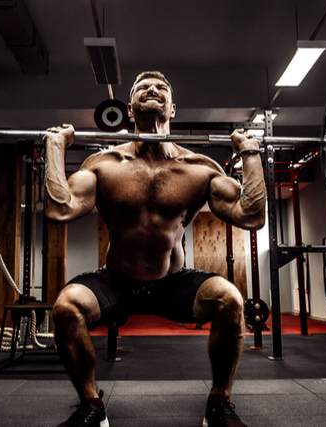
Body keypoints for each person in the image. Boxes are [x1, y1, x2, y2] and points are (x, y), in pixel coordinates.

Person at [45, 71, 265, 427]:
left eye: (161, 87)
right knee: (67, 308)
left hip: (173, 281)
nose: (151, 89)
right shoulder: (103, 165)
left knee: (231, 301)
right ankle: (91, 406)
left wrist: (250, 153)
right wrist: (54, 149)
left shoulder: (200, 168)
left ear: (172, 108)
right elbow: (59, 209)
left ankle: (219, 403)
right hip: (116, 280)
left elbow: (251, 216)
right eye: (141, 88)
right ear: (130, 110)